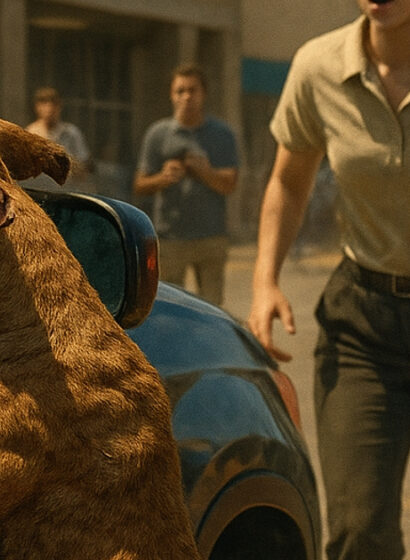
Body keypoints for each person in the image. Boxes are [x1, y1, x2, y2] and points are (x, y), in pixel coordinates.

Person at [246, 1, 410, 558]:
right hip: (364, 325)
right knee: (360, 528)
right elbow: (290, 182)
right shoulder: (319, 65)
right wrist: (264, 280)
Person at [133, 64, 238, 306]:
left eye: (193, 90)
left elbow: (230, 184)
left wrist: (204, 171)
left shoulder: (222, 134)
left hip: (211, 236)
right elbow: (139, 185)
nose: (187, 97)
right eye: (180, 91)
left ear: (204, 94)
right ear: (172, 95)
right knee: (171, 308)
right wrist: (163, 177)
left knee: (212, 308)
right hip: (171, 236)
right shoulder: (157, 134)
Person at [26, 87, 93, 184]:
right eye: (44, 104)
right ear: (37, 107)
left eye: (53, 104)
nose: (49, 109)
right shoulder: (30, 133)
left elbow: (84, 165)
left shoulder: (71, 132)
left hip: (67, 188)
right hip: (41, 189)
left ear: (59, 107)